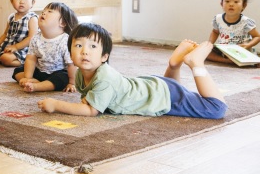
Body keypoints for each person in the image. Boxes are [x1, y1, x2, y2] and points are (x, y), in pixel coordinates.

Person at [38, 23, 227, 120]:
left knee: (217, 109)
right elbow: (88, 98)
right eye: (78, 45)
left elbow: (90, 110)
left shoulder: (105, 77)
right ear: (69, 51)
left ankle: (197, 64)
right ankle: (173, 65)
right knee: (176, 88)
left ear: (105, 56)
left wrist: (56, 105)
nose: (85, 51)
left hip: (162, 97)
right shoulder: (81, 73)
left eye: (93, 46)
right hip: (154, 86)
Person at [13, 2, 78, 93]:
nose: (43, 13)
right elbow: (31, 59)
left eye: (50, 11)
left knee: (63, 78)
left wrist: (72, 83)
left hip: (57, 72)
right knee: (18, 70)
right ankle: (32, 81)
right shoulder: (35, 38)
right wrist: (28, 77)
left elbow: (71, 64)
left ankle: (38, 86)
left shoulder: (65, 41)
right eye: (43, 11)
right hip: (40, 71)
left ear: (62, 23)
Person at [0, 0, 38, 67]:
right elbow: (6, 33)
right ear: (11, 0)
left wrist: (16, 47)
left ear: (33, 2)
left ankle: (27, 62)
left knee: (6, 59)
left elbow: (31, 38)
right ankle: (2, 57)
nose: (22, 1)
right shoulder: (11, 17)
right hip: (8, 46)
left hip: (23, 49)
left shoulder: (32, 18)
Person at [207, 0, 260, 64]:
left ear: (244, 5)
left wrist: (247, 45)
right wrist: (209, 44)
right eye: (227, 1)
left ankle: (243, 60)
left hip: (240, 51)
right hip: (224, 50)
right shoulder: (218, 19)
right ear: (222, 4)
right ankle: (228, 61)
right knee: (203, 51)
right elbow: (215, 32)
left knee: (254, 61)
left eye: (236, 2)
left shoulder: (246, 22)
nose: (231, 4)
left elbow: (257, 37)